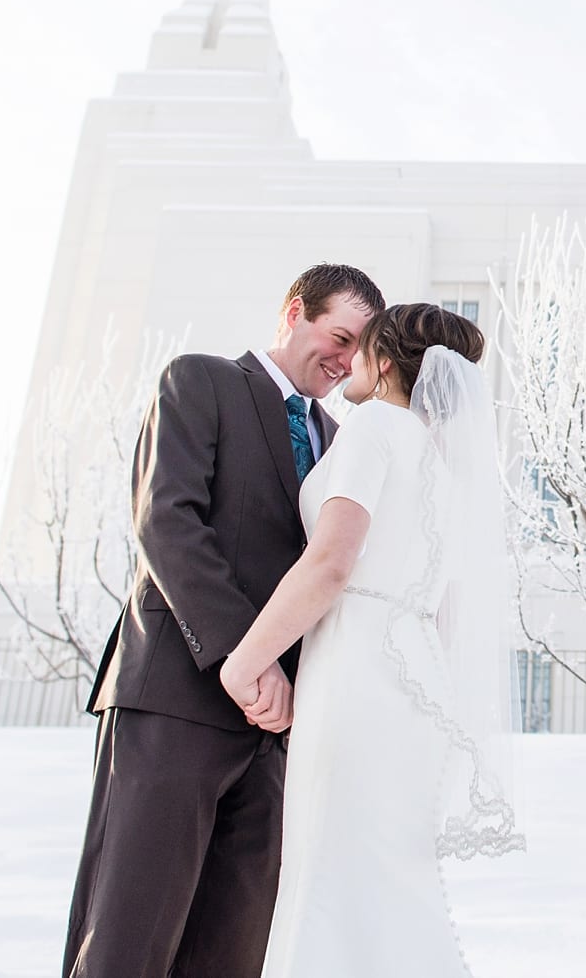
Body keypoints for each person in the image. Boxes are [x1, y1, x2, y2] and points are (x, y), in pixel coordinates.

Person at [62, 263, 386, 978]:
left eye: (358, 349)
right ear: (294, 312)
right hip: (177, 694)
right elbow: (166, 523)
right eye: (337, 335)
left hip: (276, 735)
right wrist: (250, 658)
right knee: (128, 937)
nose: (342, 360)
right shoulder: (200, 381)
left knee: (233, 951)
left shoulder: (346, 442)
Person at [219, 301, 525, 976]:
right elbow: (446, 606)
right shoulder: (446, 465)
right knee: (388, 879)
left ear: (385, 362)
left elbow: (330, 563)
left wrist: (245, 661)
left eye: (362, 349)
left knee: (329, 869)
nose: (349, 360)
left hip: (358, 670)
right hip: (416, 680)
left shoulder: (376, 428)